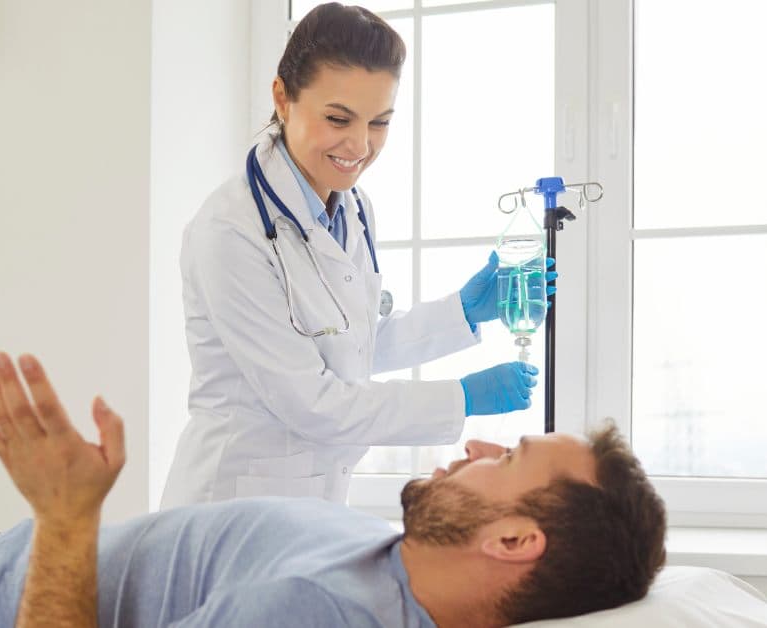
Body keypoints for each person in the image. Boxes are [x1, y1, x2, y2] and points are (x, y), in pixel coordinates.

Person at [0, 353, 666, 627]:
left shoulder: (314, 614)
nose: (474, 444)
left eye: (505, 456)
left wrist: (65, 516)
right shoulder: (394, 576)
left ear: (513, 541)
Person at [161, 2, 558, 507]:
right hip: (230, 508)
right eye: (337, 118)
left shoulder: (352, 207)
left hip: (314, 506)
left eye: (380, 122)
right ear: (282, 97)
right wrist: (461, 397)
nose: (360, 145)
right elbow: (313, 402)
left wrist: (462, 310)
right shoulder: (230, 231)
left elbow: (349, 347)